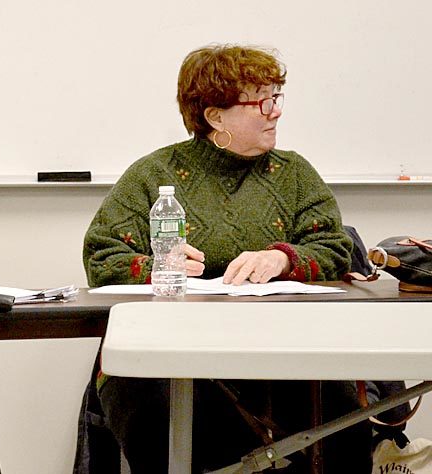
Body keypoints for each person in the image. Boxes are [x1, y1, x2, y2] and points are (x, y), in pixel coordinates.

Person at [82, 45, 371, 472]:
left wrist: (283, 259)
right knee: (173, 422)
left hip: (282, 346)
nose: (275, 112)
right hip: (168, 349)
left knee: (344, 420)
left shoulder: (293, 174)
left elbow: (333, 246)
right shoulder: (153, 175)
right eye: (261, 102)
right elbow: (101, 255)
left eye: (277, 98)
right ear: (215, 117)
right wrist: (156, 267)